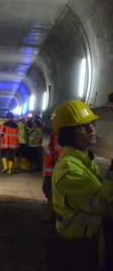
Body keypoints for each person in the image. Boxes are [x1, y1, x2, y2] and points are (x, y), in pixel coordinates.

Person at [50, 100, 113, 270]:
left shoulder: (85, 160)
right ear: (68, 134)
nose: (91, 130)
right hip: (75, 250)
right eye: (82, 127)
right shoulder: (69, 170)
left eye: (92, 124)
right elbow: (105, 204)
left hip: (87, 241)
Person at [42, 131, 62, 224]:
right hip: (51, 172)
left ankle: (52, 217)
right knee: (50, 193)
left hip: (54, 173)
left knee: (52, 194)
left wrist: (53, 157)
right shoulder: (55, 135)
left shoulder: (60, 136)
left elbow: (59, 155)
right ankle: (52, 216)